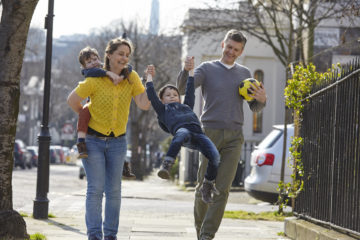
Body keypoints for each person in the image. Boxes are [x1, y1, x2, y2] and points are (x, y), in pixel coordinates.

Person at [176, 29, 267, 240]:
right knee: (204, 186)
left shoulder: (245, 74)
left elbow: (254, 107)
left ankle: (207, 235)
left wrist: (262, 100)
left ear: (241, 51)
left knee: (222, 189)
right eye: (229, 47)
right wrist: (185, 70)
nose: (231, 52)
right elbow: (181, 88)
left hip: (235, 136)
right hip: (210, 133)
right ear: (222, 45)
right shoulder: (207, 68)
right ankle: (201, 232)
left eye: (236, 49)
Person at [67, 37, 150, 240]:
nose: (124, 58)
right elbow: (72, 100)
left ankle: (110, 235)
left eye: (127, 55)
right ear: (109, 55)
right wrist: (85, 114)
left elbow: (144, 104)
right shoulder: (95, 79)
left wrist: (149, 83)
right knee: (95, 189)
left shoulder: (132, 78)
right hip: (93, 141)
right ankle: (94, 235)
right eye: (120, 54)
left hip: (117, 142)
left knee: (114, 191)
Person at [145, 64, 220, 204]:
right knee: (181, 133)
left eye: (175, 95)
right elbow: (151, 93)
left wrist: (191, 71)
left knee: (215, 156)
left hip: (198, 134)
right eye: (168, 95)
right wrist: (149, 76)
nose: (172, 97)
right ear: (162, 100)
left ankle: (208, 185)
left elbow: (190, 90)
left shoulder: (186, 106)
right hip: (183, 133)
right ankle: (166, 165)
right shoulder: (162, 109)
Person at [76, 46, 136, 180]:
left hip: (110, 114)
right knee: (84, 113)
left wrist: (125, 72)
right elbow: (96, 71)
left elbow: (127, 67)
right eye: (89, 62)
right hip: (93, 104)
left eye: (95, 59)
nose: (94, 63)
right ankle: (81, 143)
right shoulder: (89, 72)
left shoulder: (105, 66)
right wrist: (108, 73)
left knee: (117, 129)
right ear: (84, 66)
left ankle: (124, 164)